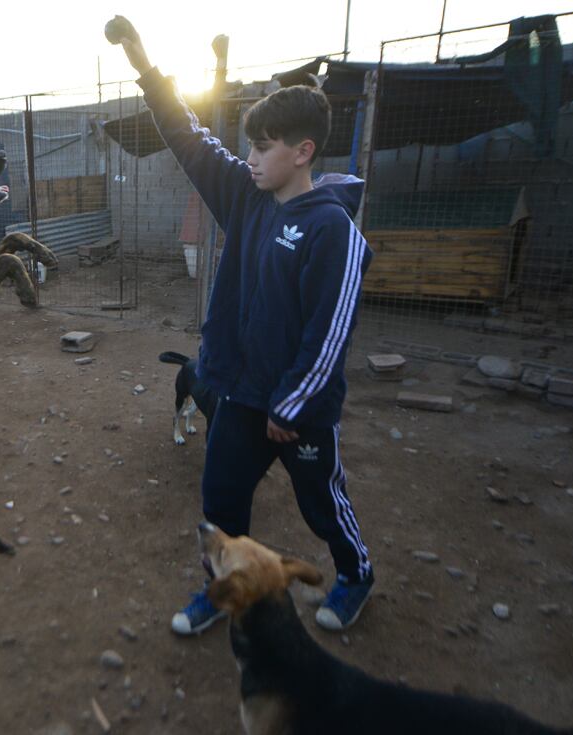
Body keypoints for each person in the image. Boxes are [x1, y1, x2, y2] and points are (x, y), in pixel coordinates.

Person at [107, 16, 375, 634]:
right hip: (239, 393)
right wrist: (144, 64)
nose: (249, 158)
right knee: (221, 501)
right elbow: (188, 136)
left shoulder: (333, 229)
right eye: (249, 147)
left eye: (262, 148)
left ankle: (356, 575)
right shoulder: (244, 195)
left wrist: (295, 403)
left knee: (319, 506)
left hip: (297, 411)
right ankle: (226, 589)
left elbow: (331, 332)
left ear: (302, 151)